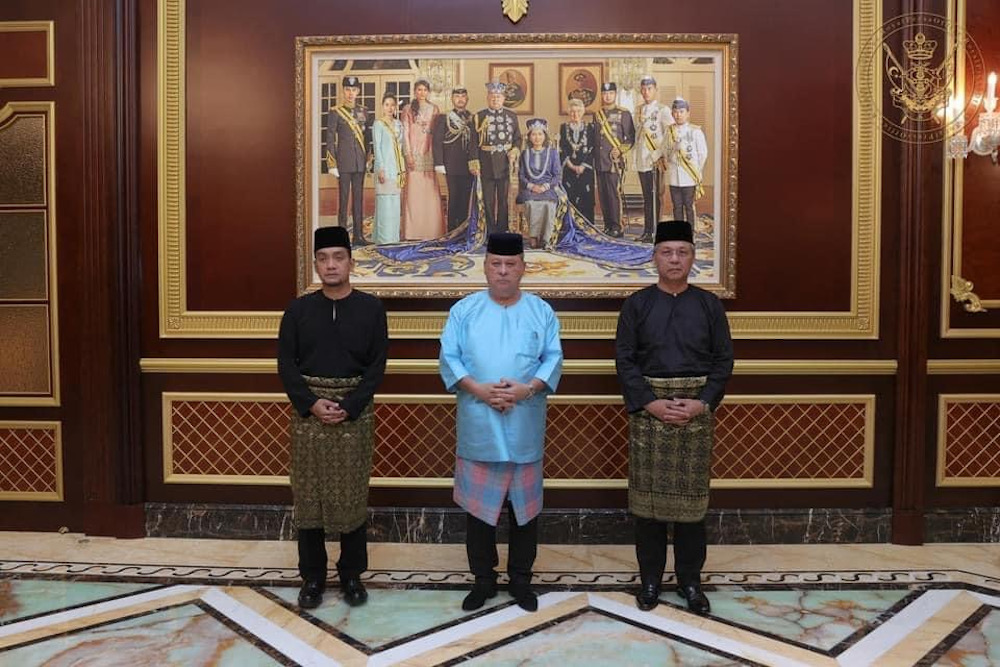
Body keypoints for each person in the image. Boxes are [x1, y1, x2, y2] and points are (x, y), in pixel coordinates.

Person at [439, 232, 563, 613]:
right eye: (496, 264)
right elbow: (449, 357)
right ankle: (483, 580)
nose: (503, 271)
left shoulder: (541, 311)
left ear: (523, 268)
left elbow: (553, 358)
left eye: (511, 264)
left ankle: (521, 580)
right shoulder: (464, 310)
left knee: (525, 513)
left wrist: (527, 389)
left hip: (524, 422)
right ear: (485, 267)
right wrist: (479, 389)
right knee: (479, 513)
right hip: (480, 423)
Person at [614, 220, 733, 616]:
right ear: (655, 258)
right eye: (667, 252)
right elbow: (625, 361)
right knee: (647, 508)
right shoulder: (637, 305)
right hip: (649, 415)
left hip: (695, 414)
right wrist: (650, 403)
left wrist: (702, 403)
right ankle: (650, 580)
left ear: (693, 258)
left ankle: (690, 581)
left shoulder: (709, 305)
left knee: (692, 509)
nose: (675, 259)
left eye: (682, 252)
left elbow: (724, 361)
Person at [278, 226, 389, 610]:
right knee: (308, 497)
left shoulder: (371, 309)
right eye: (323, 259)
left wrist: (351, 405)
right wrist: (311, 403)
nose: (331, 265)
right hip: (309, 417)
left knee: (352, 496)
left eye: (338, 257)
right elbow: (286, 366)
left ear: (350, 263)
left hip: (355, 416)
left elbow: (377, 366)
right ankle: (312, 577)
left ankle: (351, 575)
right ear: (315, 265)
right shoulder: (298, 310)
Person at [469, 81, 522, 233]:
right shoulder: (479, 116)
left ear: (503, 98)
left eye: (498, 96)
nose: (495, 99)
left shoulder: (512, 116)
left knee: (504, 200)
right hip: (485, 163)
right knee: (488, 200)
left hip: (505, 163)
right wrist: (474, 162)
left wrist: (515, 150)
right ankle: (489, 230)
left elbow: (518, 138)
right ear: (487, 98)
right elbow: (473, 143)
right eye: (492, 96)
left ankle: (502, 230)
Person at [325, 76, 371, 246]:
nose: (350, 93)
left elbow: (367, 137)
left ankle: (358, 236)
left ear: (358, 91)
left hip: (360, 162)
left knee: (358, 201)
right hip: (343, 163)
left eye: (353, 90)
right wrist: (332, 163)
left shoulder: (364, 111)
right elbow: (330, 138)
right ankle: (341, 237)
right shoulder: (335, 112)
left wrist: (369, 158)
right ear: (343, 91)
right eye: (347, 90)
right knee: (343, 201)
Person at [402, 79, 446, 240]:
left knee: (430, 194)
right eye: (419, 89)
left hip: (429, 154)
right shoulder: (407, 109)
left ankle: (433, 230)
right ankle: (413, 232)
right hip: (414, 155)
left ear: (428, 92)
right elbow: (405, 133)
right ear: (415, 91)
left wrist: (438, 157)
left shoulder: (434, 109)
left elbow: (438, 134)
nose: (422, 93)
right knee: (414, 194)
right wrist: (408, 155)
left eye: (424, 90)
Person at [633, 76, 673, 243]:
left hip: (656, 159)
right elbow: (636, 135)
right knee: (647, 197)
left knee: (656, 196)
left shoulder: (663, 110)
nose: (646, 92)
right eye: (643, 89)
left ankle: (657, 231)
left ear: (655, 90)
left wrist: (659, 154)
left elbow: (670, 135)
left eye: (649, 89)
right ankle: (647, 231)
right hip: (642, 159)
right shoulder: (638, 110)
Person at [593, 82, 635, 238]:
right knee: (603, 194)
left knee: (613, 194)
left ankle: (617, 226)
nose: (607, 96)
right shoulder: (597, 114)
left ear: (615, 94)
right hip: (600, 161)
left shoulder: (624, 113)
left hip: (614, 162)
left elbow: (630, 138)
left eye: (610, 93)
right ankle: (608, 225)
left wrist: (621, 149)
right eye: (604, 94)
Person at [432, 85, 476, 232]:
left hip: (468, 166)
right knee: (454, 200)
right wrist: (439, 163)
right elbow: (437, 141)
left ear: (467, 99)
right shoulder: (444, 118)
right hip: (451, 165)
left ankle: (462, 231)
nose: (460, 99)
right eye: (457, 96)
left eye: (463, 96)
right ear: (452, 99)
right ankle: (451, 232)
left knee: (465, 200)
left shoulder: (473, 118)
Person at [517, 118, 561, 248]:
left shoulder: (552, 153)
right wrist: (532, 186)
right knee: (531, 203)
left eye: (540, 134)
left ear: (545, 136)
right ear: (529, 137)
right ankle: (533, 236)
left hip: (548, 187)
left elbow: (557, 175)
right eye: (534, 134)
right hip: (530, 188)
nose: (537, 138)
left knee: (548, 203)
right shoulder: (525, 154)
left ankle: (546, 238)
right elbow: (521, 175)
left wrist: (545, 186)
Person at [665, 98, 708, 226]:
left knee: (689, 206)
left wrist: (695, 170)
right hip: (674, 176)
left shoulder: (695, 131)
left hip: (689, 176)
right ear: (672, 114)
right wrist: (672, 150)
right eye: (675, 112)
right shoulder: (669, 131)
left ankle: (690, 232)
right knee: (676, 206)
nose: (678, 115)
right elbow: (665, 152)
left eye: (681, 111)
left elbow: (702, 154)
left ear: (688, 113)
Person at [372, 93, 405, 244]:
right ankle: (383, 240)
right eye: (387, 105)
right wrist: (380, 168)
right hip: (384, 168)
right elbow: (377, 148)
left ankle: (393, 238)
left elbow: (402, 146)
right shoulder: (378, 124)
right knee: (384, 205)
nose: (390, 108)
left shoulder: (399, 124)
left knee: (394, 204)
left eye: (392, 105)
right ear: (382, 106)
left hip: (397, 169)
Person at [558, 98, 596, 223]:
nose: (575, 114)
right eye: (573, 111)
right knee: (570, 196)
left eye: (578, 111)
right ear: (569, 112)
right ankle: (571, 226)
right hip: (569, 168)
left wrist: (583, 166)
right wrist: (571, 165)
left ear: (583, 112)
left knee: (586, 198)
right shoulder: (563, 127)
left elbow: (592, 149)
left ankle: (587, 227)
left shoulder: (590, 127)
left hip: (585, 169)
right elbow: (562, 149)